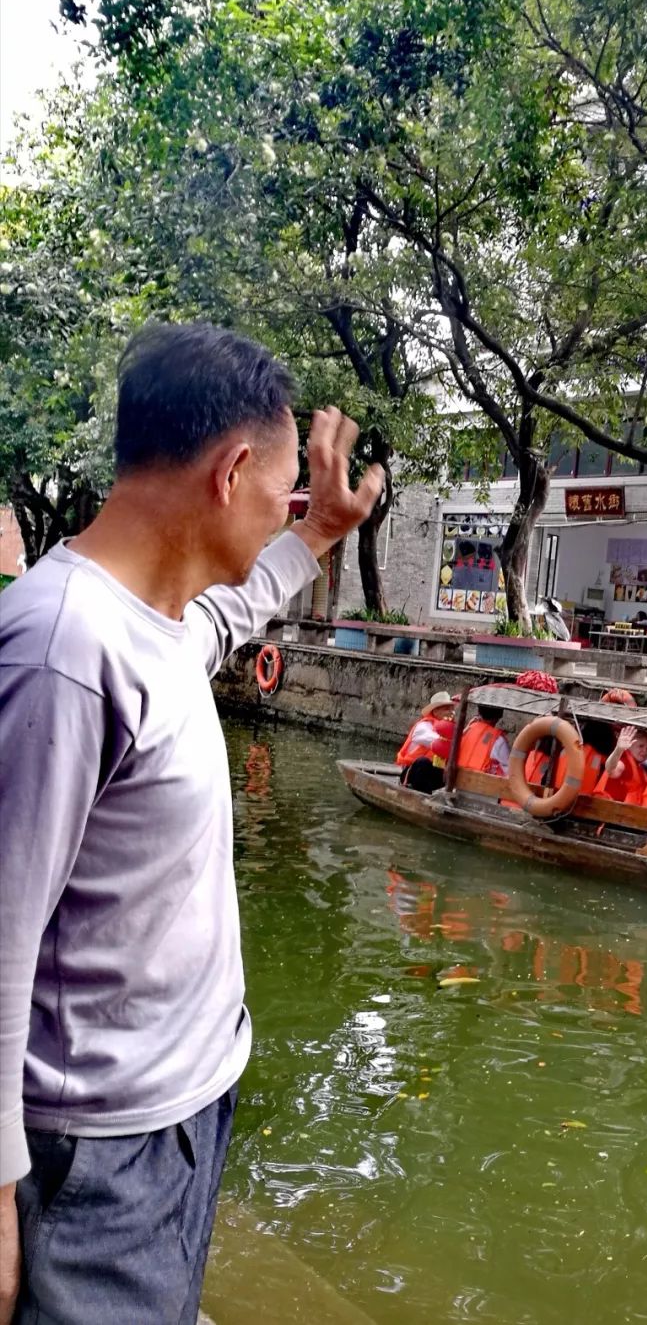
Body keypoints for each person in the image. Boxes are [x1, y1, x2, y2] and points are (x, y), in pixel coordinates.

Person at [0, 322, 383, 1324]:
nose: (286, 507)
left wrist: (323, 532)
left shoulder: (159, 622)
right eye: (288, 486)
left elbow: (227, 615)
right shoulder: (63, 649)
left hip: (181, 1112)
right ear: (232, 469)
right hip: (96, 1158)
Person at [396, 691, 457, 792]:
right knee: (423, 762)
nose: (451, 712)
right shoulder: (423, 726)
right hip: (413, 773)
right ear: (435, 711)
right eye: (447, 709)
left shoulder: (450, 730)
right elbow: (436, 742)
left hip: (435, 773)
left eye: (452, 709)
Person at [596, 725, 647, 803]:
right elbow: (610, 769)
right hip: (608, 810)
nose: (644, 751)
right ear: (629, 745)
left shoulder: (640, 767)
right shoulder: (623, 763)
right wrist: (619, 749)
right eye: (641, 746)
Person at [458, 704, 512, 777]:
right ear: (499, 717)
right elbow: (509, 770)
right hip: (480, 783)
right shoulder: (498, 740)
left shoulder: (468, 729)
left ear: (479, 712)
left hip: (457, 777)